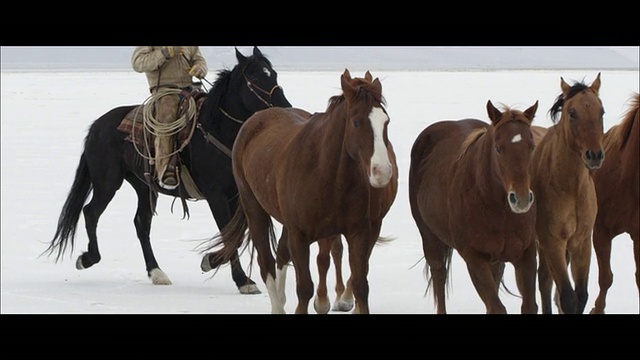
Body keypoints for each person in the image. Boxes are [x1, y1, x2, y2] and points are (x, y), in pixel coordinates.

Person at [131, 46, 208, 190]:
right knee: (166, 119)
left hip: (190, 90)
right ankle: (166, 169)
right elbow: (138, 62)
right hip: (164, 91)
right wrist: (164, 53)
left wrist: (199, 68)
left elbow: (199, 59)